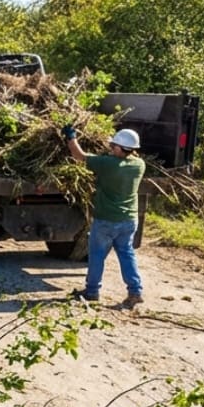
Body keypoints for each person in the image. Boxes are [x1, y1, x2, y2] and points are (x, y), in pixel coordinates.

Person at [63, 126, 146, 308]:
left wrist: (71, 137)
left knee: (97, 255)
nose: (110, 147)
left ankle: (92, 291)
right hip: (129, 220)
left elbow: (79, 155)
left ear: (119, 148)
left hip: (107, 220)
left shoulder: (108, 164)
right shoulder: (139, 165)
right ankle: (135, 291)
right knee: (126, 253)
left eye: (113, 145)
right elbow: (124, 158)